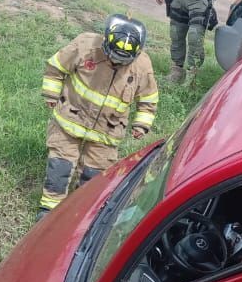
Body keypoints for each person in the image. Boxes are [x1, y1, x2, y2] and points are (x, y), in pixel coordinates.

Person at [37, 14, 158, 220]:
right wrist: (51, 92)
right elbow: (56, 67)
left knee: (94, 177)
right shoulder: (85, 46)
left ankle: (81, 215)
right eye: (113, 56)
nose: (116, 62)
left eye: (123, 60)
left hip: (107, 132)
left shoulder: (142, 65)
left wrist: (141, 124)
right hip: (70, 120)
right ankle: (49, 212)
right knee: (60, 166)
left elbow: (148, 98)